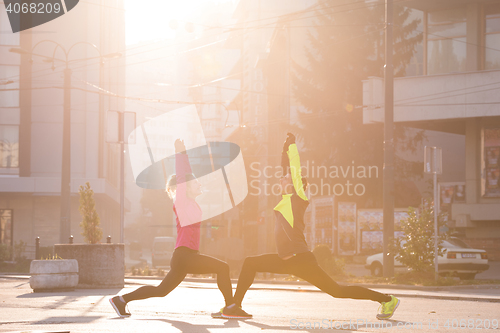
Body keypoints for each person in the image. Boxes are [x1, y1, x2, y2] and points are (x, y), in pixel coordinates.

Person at [230, 133, 400, 320]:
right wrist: (283, 149)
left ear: (296, 185)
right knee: (250, 263)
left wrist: (292, 146)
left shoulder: (298, 199)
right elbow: (285, 169)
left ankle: (386, 300)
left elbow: (293, 170)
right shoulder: (286, 199)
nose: (281, 180)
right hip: (286, 260)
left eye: (285, 179)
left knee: (337, 291)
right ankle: (234, 306)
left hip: (301, 260)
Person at [110, 139, 250, 319]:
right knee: (223, 268)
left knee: (161, 291)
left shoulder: (192, 204)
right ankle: (230, 307)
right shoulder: (182, 201)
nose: (199, 184)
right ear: (185, 187)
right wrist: (181, 154)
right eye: (196, 183)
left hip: (184, 256)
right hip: (186, 255)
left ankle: (120, 300)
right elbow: (184, 176)